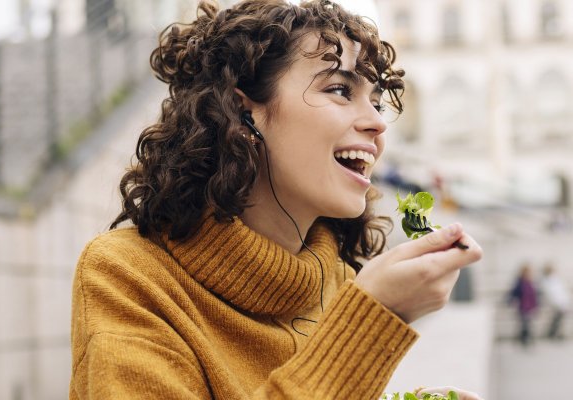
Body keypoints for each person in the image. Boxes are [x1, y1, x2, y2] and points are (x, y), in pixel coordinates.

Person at [69, 1, 483, 399]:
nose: (377, 123)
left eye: (376, 102)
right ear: (242, 111)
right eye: (340, 89)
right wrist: (372, 322)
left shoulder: (342, 282)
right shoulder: (127, 277)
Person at [508, 263, 538, 347]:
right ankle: (525, 340)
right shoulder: (519, 282)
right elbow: (513, 293)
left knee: (527, 324)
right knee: (524, 324)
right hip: (523, 306)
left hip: (530, 307)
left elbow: (534, 296)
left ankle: (525, 339)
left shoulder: (531, 283)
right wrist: (509, 302)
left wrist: (536, 306)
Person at [540, 263, 570, 340]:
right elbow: (551, 293)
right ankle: (553, 333)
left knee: (559, 319)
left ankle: (554, 333)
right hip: (557, 302)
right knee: (557, 319)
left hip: (561, 301)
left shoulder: (555, 279)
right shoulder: (546, 281)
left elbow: (561, 291)